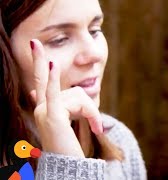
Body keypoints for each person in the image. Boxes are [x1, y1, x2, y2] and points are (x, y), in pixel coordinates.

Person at [0, 0, 146, 179]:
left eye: (94, 30)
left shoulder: (117, 139)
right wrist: (66, 164)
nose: (95, 54)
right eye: (59, 40)